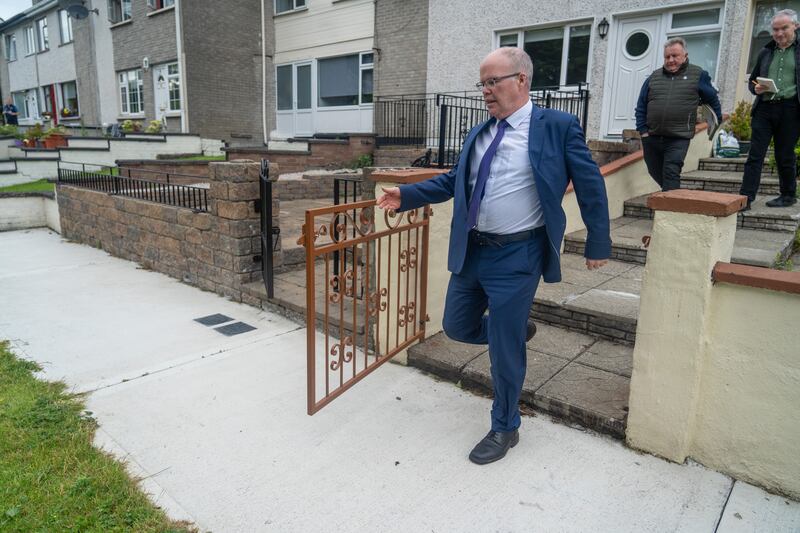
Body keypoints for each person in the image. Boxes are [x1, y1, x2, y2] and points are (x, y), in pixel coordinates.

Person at [377, 47, 610, 465]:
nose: (485, 91)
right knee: (456, 325)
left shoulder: (558, 127)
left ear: (521, 80)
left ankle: (505, 425)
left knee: (503, 351)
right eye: (482, 83)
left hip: (518, 255)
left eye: (492, 82)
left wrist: (598, 242)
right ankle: (515, 332)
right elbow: (455, 180)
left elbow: (590, 184)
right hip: (473, 250)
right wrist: (407, 195)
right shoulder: (479, 132)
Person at [635, 37, 722, 192]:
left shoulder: (698, 75)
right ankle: (674, 196)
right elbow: (641, 105)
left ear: (685, 56)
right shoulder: (653, 77)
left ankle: (670, 202)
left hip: (678, 137)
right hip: (652, 137)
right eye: (667, 57)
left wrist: (716, 120)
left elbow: (712, 99)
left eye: (675, 56)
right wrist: (643, 132)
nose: (670, 60)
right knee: (654, 171)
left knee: (671, 171)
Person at [739, 9, 800, 209]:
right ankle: (745, 198)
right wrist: (756, 87)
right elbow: (752, 81)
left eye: (784, 28)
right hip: (764, 109)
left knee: (785, 155)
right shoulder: (765, 52)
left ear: (795, 26)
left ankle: (788, 196)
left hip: (791, 110)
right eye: (775, 29)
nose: (779, 33)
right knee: (755, 155)